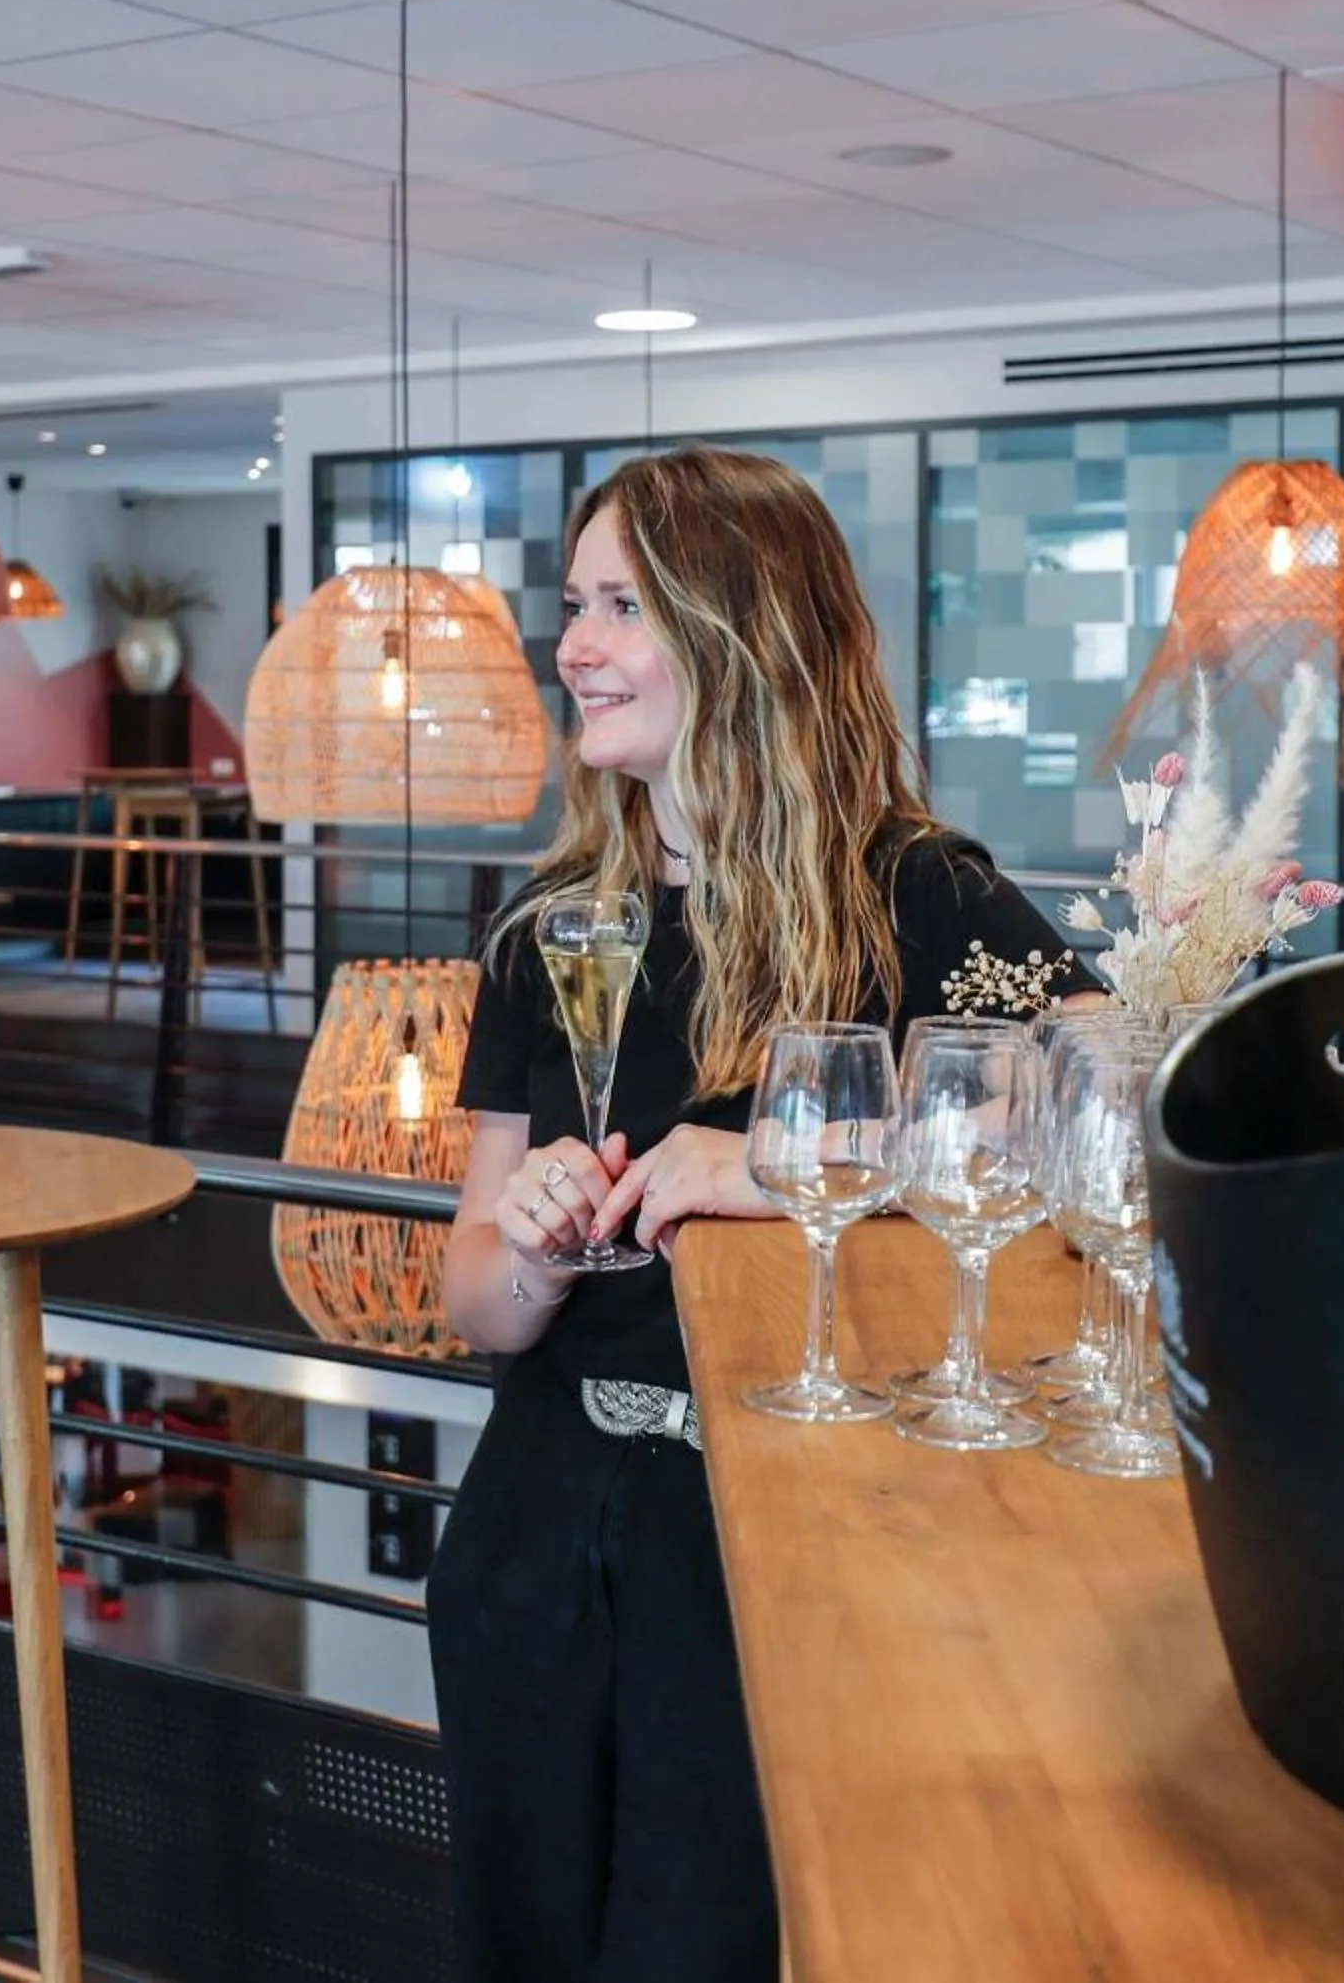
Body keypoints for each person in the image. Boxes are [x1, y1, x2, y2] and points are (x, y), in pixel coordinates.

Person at [429, 446, 1096, 1981]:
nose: (575, 646)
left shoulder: (916, 893)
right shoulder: (548, 930)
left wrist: (785, 1159)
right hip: (534, 1529)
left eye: (623, 606)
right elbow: (472, 1304)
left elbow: (1099, 1094)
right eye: (574, 605)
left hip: (776, 1545)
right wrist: (531, 1247)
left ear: (745, 629)